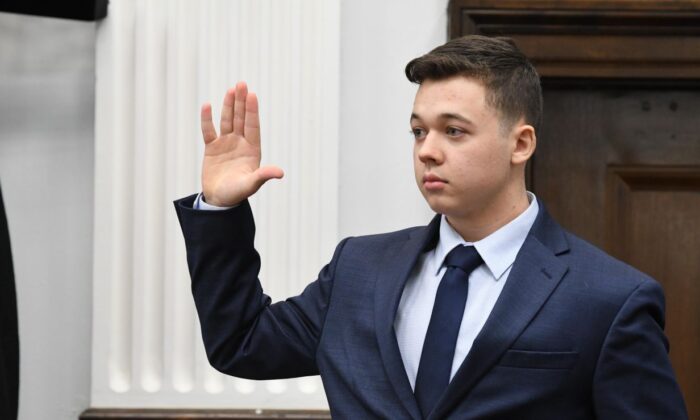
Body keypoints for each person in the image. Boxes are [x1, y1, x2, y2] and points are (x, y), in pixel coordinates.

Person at [174, 35, 687, 419]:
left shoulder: (610, 298)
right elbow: (241, 343)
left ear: (521, 144)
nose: (427, 150)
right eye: (418, 130)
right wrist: (219, 211)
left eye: (454, 131)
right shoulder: (359, 268)